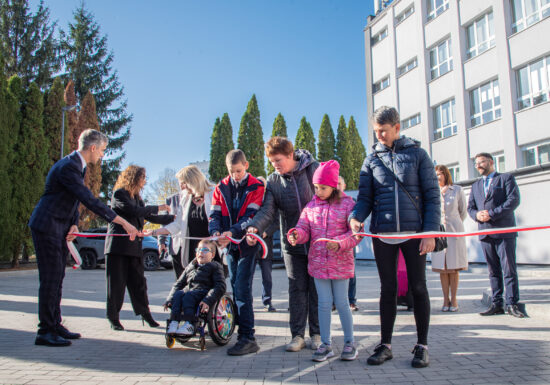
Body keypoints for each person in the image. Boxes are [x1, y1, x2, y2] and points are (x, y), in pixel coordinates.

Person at [28, 129, 139, 347]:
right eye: (102, 151)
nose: (102, 156)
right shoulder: (69, 166)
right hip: (47, 226)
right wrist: (122, 222)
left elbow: (71, 199)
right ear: (92, 147)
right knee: (50, 280)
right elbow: (88, 199)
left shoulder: (77, 166)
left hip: (59, 227)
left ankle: (54, 324)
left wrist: (74, 223)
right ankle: (45, 331)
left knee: (57, 278)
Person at [349, 106, 440, 368]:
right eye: (376, 132)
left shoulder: (419, 155)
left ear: (397, 128)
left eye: (384, 131)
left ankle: (422, 346)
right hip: (383, 235)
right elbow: (365, 198)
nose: (379, 136)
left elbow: (432, 196)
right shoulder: (371, 160)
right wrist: (356, 217)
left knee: (419, 288)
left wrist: (430, 232)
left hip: (415, 234)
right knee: (387, 289)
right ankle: (385, 345)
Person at [246, 136, 321, 353]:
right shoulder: (273, 181)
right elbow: (268, 211)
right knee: (296, 289)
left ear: (291, 155)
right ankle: (297, 335)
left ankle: (317, 334)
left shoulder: (313, 169)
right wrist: (255, 227)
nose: (275, 165)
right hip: (293, 244)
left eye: (278, 160)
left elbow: (329, 198)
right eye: (271, 162)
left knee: (316, 289)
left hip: (317, 242)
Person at [287, 160, 361, 362]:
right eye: (316, 187)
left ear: (334, 186)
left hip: (340, 264)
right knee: (323, 304)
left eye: (323, 187)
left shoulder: (348, 205)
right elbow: (303, 228)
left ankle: (349, 343)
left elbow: (355, 234)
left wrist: (339, 243)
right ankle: (326, 344)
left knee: (343, 303)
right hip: (318, 264)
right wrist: (295, 234)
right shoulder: (311, 206)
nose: (318, 191)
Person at [105, 165, 174, 331]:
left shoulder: (137, 197)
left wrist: (175, 218)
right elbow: (135, 211)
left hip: (134, 248)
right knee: (117, 284)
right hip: (118, 248)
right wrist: (158, 206)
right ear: (133, 178)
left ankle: (145, 314)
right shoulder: (119, 194)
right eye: (142, 177)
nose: (145, 181)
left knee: (139, 283)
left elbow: (149, 216)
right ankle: (113, 317)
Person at [209, 149, 264, 356]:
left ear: (246, 166)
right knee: (234, 286)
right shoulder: (220, 187)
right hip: (230, 246)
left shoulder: (257, 186)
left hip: (247, 244)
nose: (235, 175)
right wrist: (216, 233)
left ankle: (248, 337)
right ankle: (240, 331)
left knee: (242, 287)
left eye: (239, 171)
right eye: (231, 171)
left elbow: (252, 216)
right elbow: (214, 214)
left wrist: (231, 232)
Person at [467, 153, 524, 318]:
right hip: (485, 233)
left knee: (508, 269)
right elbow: (471, 207)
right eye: (476, 163)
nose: (478, 165)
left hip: (504, 232)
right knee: (493, 270)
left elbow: (513, 200)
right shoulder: (476, 185)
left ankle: (512, 303)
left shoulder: (506, 179)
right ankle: (497, 303)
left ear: (491, 162)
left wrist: (492, 213)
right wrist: (477, 215)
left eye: (481, 162)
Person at [153, 165, 216, 280]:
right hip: (192, 249)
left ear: (193, 180)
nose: (181, 186)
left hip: (211, 248)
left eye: (183, 183)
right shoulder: (185, 198)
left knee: (211, 285)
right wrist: (154, 232)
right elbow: (177, 224)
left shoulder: (214, 193)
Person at [165, 239, 226, 335]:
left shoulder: (215, 267)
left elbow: (220, 286)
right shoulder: (190, 266)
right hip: (189, 291)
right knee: (178, 294)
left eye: (205, 250)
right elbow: (178, 283)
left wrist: (208, 300)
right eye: (199, 249)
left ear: (212, 255)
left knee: (189, 295)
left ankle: (190, 324)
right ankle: (174, 322)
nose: (201, 252)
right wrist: (169, 299)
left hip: (204, 292)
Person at [432, 165, 468, 312]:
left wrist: (454, 223)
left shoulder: (457, 190)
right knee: (442, 268)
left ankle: (454, 299)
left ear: (446, 175)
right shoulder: (432, 192)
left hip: (454, 232)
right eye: (435, 175)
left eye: (440, 174)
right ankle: (445, 299)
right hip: (438, 233)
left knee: (453, 268)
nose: (437, 177)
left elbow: (463, 212)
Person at [254, 176, 278, 312]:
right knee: (248, 277)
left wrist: (266, 232)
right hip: (251, 245)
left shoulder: (271, 202)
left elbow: (276, 222)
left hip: (265, 246)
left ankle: (267, 301)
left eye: (262, 185)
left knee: (267, 277)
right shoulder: (251, 200)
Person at [337, 175, 359, 312]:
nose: (337, 186)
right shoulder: (326, 202)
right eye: (335, 184)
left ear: (344, 186)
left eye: (339, 183)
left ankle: (351, 300)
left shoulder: (352, 201)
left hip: (348, 242)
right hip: (332, 243)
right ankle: (334, 302)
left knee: (350, 273)